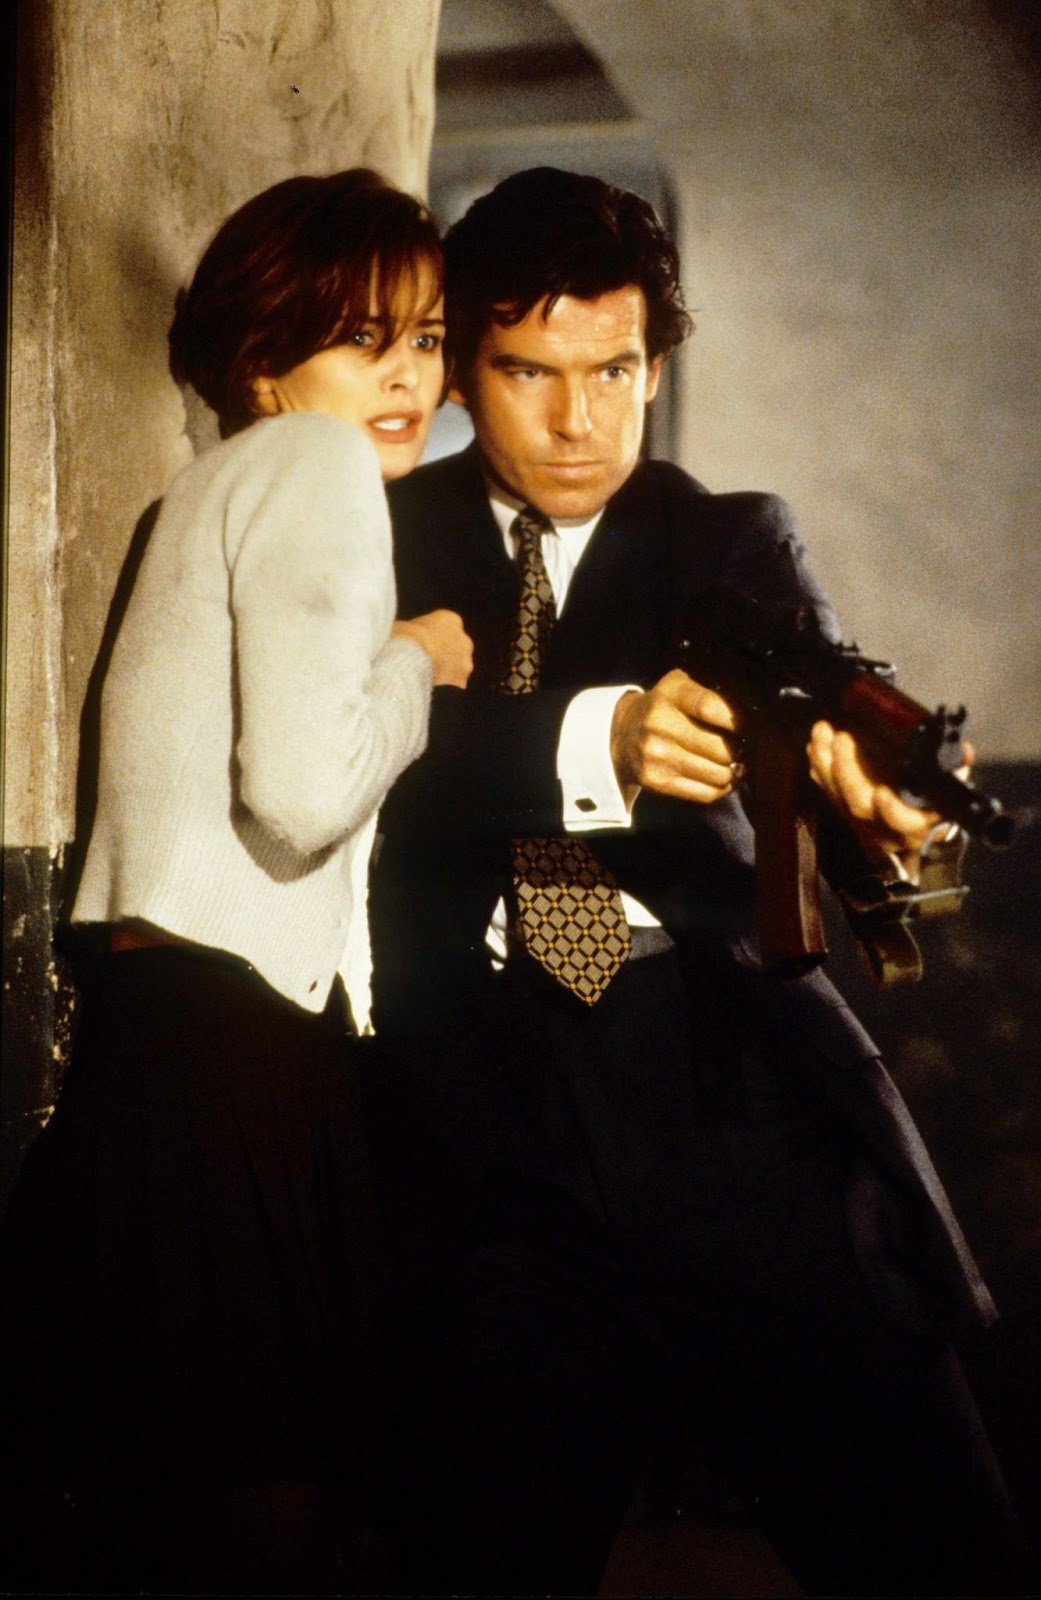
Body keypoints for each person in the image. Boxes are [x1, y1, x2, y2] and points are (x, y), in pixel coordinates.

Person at [363, 167, 1035, 1597]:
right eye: (529, 372)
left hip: (726, 1093)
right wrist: (594, 738)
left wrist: (878, 803)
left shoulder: (726, 536)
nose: (578, 420)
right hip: (478, 1113)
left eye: (614, 371)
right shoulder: (378, 533)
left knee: (935, 1547)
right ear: (463, 367)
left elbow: (821, 683)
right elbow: (354, 761)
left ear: (655, 367)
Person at [0, 168, 471, 1592]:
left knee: (167, 1499)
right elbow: (303, 792)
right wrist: (417, 662)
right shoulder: (313, 465)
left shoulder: (200, 493)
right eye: (361, 338)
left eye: (426, 338)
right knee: (259, 1505)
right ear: (264, 362)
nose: (406, 375)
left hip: (159, 1037)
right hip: (236, 1046)